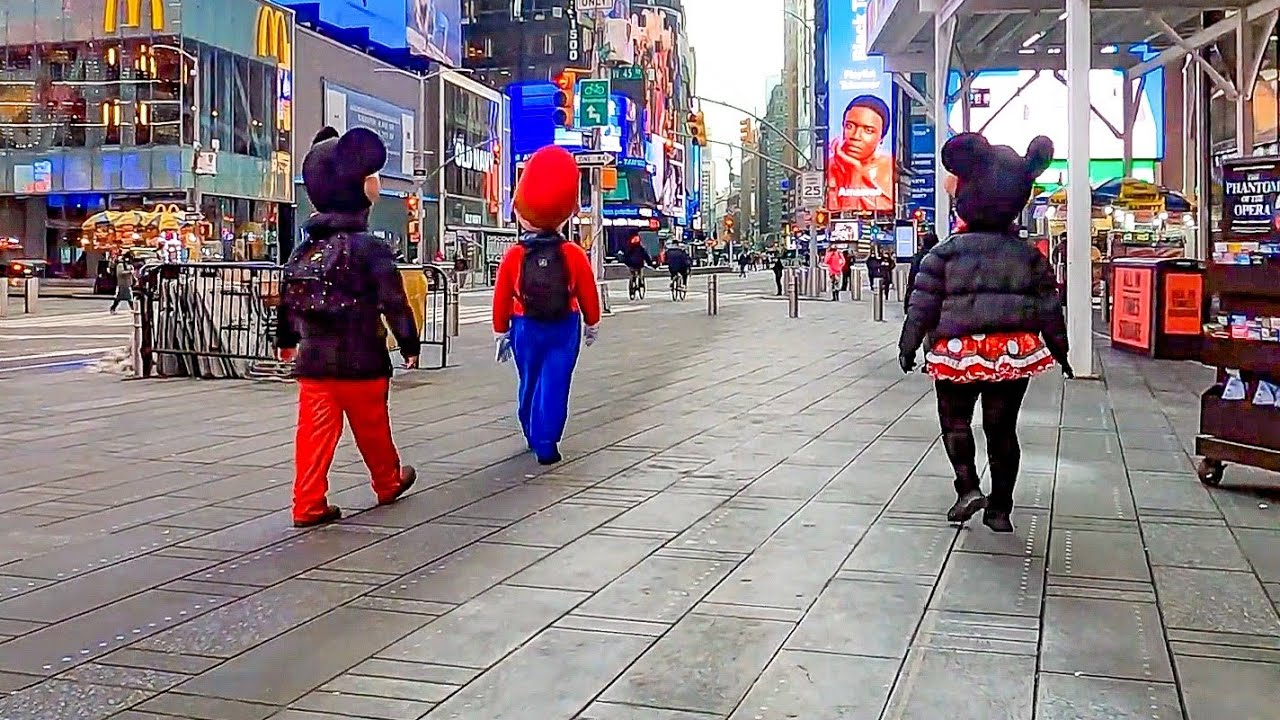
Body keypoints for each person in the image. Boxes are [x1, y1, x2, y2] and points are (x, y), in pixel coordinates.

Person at [898, 133, 1071, 534]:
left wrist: (909, 345)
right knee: (1002, 428)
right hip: (1013, 350)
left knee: (955, 420)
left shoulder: (942, 254)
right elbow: (1049, 307)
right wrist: (1061, 352)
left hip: (956, 348)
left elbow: (922, 304)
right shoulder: (1030, 257)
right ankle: (1001, 508)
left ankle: (967, 486)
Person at [275, 127, 420, 528]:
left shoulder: (304, 248)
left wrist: (286, 341)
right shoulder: (370, 247)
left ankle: (308, 502)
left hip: (314, 361)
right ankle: (387, 481)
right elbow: (394, 300)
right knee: (372, 426)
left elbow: (287, 297)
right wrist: (409, 342)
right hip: (363, 359)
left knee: (314, 437)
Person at [492, 146, 602, 466]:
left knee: (529, 378)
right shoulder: (573, 254)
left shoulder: (514, 256)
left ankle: (529, 425)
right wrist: (592, 323)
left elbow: (501, 296)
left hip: (524, 324)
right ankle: (547, 440)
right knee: (556, 380)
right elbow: (587, 291)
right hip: (564, 324)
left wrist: (501, 331)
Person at [826, 95, 895, 212]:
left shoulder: (891, 169)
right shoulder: (827, 168)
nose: (856, 136)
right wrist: (854, 172)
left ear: (881, 137)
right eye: (850, 126)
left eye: (868, 130)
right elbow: (845, 216)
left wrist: (855, 170)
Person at [905, 231, 939, 311]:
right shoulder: (942, 257)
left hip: (920, 296)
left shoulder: (918, 258)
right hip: (938, 297)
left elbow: (912, 279)